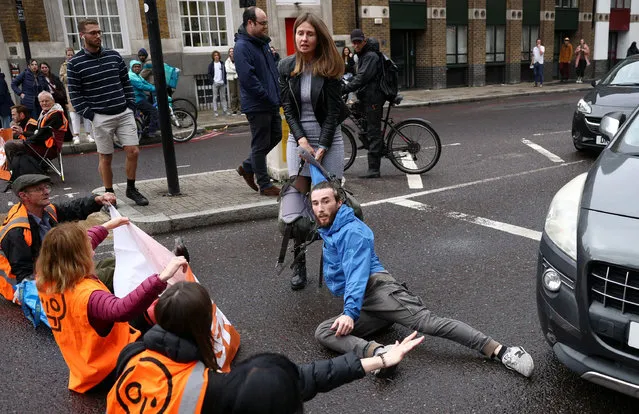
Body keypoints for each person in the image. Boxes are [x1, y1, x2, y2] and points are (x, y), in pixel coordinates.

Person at [309, 180, 535, 378]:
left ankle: (502, 350)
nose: (320, 208)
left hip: (379, 291)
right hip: (366, 303)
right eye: (315, 203)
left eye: (326, 201)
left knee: (428, 322)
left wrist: (349, 312)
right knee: (325, 331)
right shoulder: (332, 229)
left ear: (339, 203)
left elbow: (357, 275)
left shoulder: (352, 232)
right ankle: (379, 353)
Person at [106, 281, 424, 413]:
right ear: (205, 323)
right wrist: (381, 358)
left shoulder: (132, 355)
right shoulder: (210, 388)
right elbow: (305, 378)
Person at [36, 221, 187, 393]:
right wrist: (162, 278)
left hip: (83, 364)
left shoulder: (48, 277)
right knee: (162, 330)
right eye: (88, 248)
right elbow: (121, 309)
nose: (92, 250)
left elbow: (74, 245)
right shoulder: (87, 295)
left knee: (145, 309)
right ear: (79, 257)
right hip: (106, 368)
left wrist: (107, 226)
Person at [279, 12, 348, 290]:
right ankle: (299, 264)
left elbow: (332, 115)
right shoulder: (285, 67)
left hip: (328, 141)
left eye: (309, 34)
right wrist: (302, 141)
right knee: (298, 208)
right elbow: (289, 110)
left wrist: (322, 147)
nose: (304, 39)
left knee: (329, 206)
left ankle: (334, 263)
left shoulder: (329, 66)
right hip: (300, 141)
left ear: (318, 37)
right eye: (300, 33)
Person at [67, 18, 149, 206]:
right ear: (82, 36)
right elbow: (75, 95)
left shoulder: (114, 56)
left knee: (133, 150)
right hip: (100, 116)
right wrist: (92, 116)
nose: (98, 36)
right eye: (93, 33)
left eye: (99, 32)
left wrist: (130, 105)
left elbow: (125, 82)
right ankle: (109, 194)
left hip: (123, 112)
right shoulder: (75, 63)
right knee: (105, 157)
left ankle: (131, 188)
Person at [0, 174, 117, 302]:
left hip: (55, 270)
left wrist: (97, 200)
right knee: (113, 274)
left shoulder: (45, 210)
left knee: (116, 262)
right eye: (39, 189)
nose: (46, 192)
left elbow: (72, 209)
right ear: (24, 196)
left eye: (46, 187)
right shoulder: (17, 232)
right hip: (36, 286)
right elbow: (25, 277)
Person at [234, 6, 282, 196]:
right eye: (262, 23)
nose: (266, 27)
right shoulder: (242, 47)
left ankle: (247, 166)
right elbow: (249, 80)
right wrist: (268, 97)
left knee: (276, 136)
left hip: (270, 102)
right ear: (250, 23)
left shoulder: (261, 44)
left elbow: (271, 71)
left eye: (266, 22)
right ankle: (265, 184)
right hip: (258, 104)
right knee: (260, 144)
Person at [342, 29, 386, 178]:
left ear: (364, 41)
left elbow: (362, 77)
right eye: (354, 42)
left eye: (358, 42)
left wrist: (345, 88)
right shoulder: (362, 55)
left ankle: (374, 170)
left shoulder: (371, 56)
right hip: (367, 96)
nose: (356, 44)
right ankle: (368, 140)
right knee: (354, 111)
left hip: (374, 98)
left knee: (373, 131)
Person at [4, 92, 66, 167]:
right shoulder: (46, 113)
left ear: (53, 101)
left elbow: (42, 135)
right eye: (42, 101)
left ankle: (13, 171)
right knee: (10, 142)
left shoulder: (54, 115)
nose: (44, 103)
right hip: (42, 144)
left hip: (47, 147)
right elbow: (38, 133)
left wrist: (25, 140)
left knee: (9, 144)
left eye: (47, 101)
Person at [60, 47, 94, 145]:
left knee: (86, 114)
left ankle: (88, 134)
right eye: (68, 54)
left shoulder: (79, 63)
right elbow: (62, 78)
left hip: (83, 92)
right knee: (74, 116)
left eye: (72, 54)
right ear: (66, 55)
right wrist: (70, 74)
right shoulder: (64, 66)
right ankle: (76, 136)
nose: (70, 56)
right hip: (71, 93)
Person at [128, 60, 159, 138]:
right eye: (135, 67)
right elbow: (141, 86)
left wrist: (155, 87)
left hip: (140, 97)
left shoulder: (137, 75)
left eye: (138, 67)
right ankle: (151, 131)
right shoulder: (131, 76)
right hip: (136, 99)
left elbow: (145, 83)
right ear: (131, 68)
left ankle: (145, 128)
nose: (137, 68)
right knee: (154, 111)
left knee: (149, 112)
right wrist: (155, 89)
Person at [208, 50, 230, 117]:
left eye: (217, 55)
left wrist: (224, 81)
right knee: (215, 98)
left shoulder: (222, 64)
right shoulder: (211, 65)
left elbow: (225, 72)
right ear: (213, 57)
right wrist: (213, 81)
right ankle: (215, 111)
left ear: (219, 56)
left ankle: (225, 111)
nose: (216, 56)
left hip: (222, 83)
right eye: (215, 55)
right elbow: (209, 74)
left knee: (223, 97)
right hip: (215, 83)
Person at [225, 47, 241, 115]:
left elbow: (240, 68)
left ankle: (241, 108)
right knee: (233, 94)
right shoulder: (227, 61)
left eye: (233, 51)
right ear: (229, 53)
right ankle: (234, 109)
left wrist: (234, 70)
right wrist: (235, 70)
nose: (232, 52)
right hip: (231, 79)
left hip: (238, 78)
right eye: (230, 51)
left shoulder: (238, 59)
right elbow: (227, 70)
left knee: (239, 93)